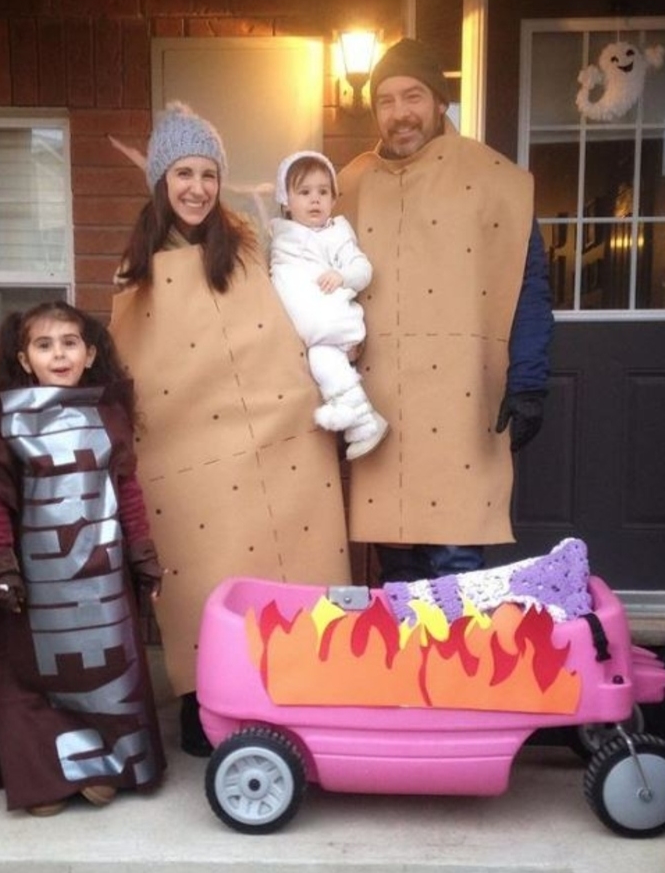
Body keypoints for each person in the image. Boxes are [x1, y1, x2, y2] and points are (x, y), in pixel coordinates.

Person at [109, 102, 351, 756]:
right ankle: (204, 701)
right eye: (183, 173)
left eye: (208, 173)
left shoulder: (247, 244)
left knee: (288, 568)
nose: (196, 188)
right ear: (162, 181)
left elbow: (286, 321)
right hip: (187, 456)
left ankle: (300, 693)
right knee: (202, 577)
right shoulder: (137, 267)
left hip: (276, 439)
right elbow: (134, 366)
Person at [335, 37, 554, 585]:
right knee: (399, 567)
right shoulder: (351, 184)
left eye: (413, 96)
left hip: (463, 401)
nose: (399, 113)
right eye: (385, 100)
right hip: (381, 405)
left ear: (440, 103)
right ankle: (409, 673)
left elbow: (527, 285)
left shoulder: (494, 179)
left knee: (456, 570)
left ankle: (455, 672)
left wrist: (528, 379)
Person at [0, 301, 166, 816]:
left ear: (89, 354)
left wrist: (142, 554)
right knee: (34, 677)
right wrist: (0, 566)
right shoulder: (5, 425)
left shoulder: (109, 416)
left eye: (69, 343)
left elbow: (126, 490)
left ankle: (103, 763)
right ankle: (46, 775)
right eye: (44, 345)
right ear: (24, 358)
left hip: (99, 581)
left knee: (102, 673)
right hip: (35, 583)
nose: (58, 354)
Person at [269, 150, 388, 460]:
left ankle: (363, 422)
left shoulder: (337, 234)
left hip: (332, 322)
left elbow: (363, 269)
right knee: (321, 364)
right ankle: (358, 419)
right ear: (285, 199)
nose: (315, 200)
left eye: (323, 192)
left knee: (324, 359)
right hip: (304, 334)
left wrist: (342, 275)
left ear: (334, 199)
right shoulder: (280, 238)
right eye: (304, 192)